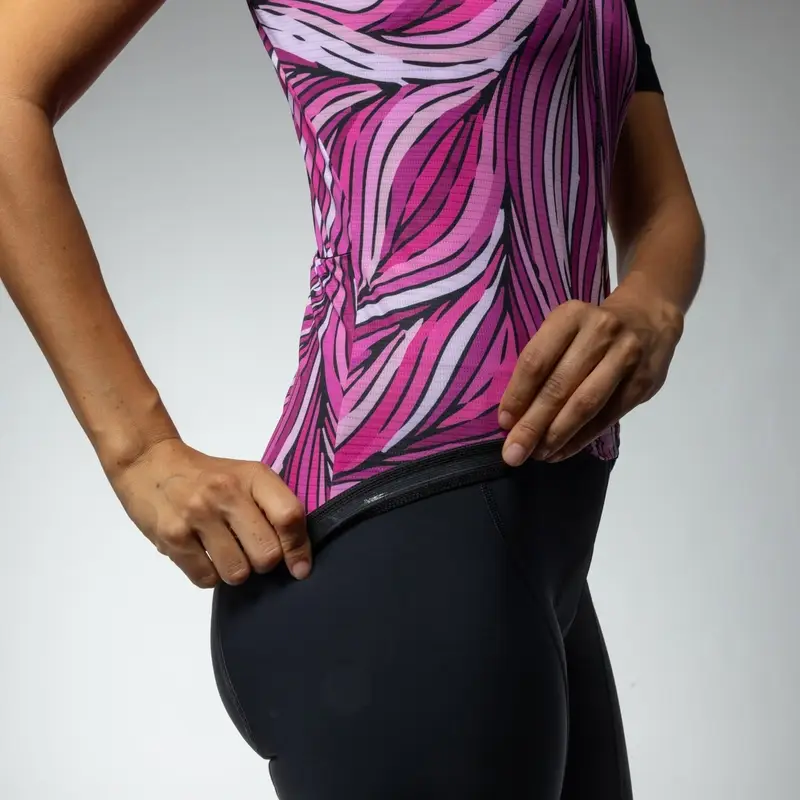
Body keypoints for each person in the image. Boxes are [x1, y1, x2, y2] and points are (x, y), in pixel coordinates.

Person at [0, 0, 704, 798]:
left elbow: (661, 204)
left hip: (541, 554)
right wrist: (140, 453)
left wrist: (651, 303)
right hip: (392, 548)